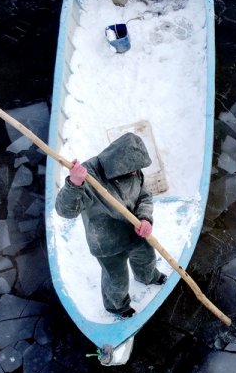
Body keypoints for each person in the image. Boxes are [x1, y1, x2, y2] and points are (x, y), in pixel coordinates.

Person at [55, 132, 168, 318]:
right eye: (134, 170)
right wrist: (74, 184)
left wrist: (145, 218)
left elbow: (144, 196)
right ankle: (118, 306)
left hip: (135, 230)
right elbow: (65, 211)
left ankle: (148, 276)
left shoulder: (133, 168)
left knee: (147, 258)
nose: (137, 172)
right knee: (116, 279)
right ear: (120, 164)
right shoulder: (89, 177)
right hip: (107, 242)